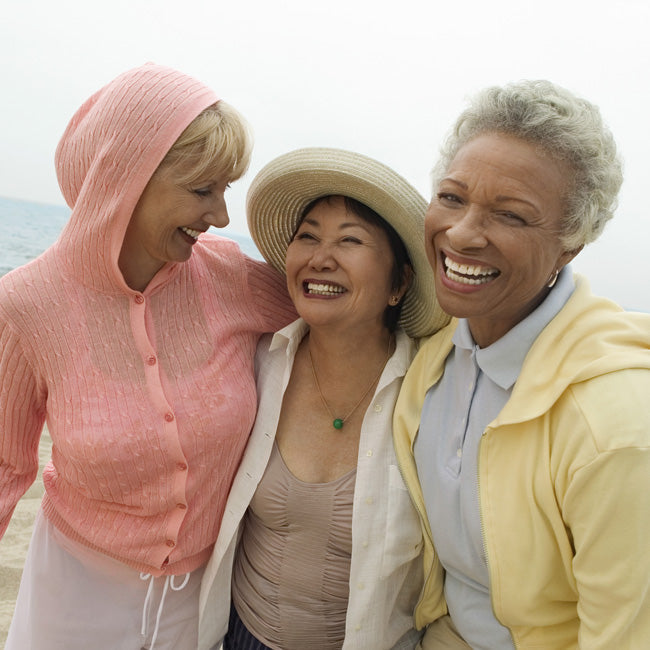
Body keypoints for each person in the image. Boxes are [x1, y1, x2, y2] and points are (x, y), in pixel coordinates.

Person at [0, 63, 296, 649]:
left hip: (198, 602)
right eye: (201, 190)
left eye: (225, 190)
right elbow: (6, 468)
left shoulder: (230, 275)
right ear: (123, 180)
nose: (220, 217)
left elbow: (338, 317)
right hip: (72, 594)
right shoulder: (25, 305)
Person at [393, 80, 650, 649]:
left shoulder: (615, 422)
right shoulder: (437, 350)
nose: (461, 233)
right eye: (452, 197)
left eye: (509, 215)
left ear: (571, 243)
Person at [198, 147, 450, 650]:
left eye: (350, 241)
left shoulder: (432, 394)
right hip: (238, 633)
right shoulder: (259, 362)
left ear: (399, 282)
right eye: (307, 236)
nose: (320, 258)